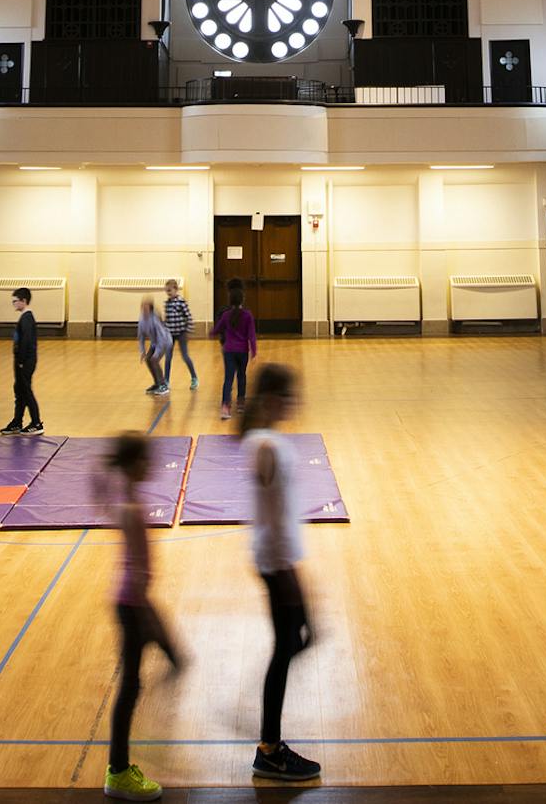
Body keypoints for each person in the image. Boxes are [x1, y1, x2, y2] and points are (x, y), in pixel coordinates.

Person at [241, 361, 319, 784]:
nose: (295, 402)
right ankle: (270, 748)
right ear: (273, 399)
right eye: (289, 395)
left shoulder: (264, 441)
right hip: (277, 564)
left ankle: (270, 741)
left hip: (280, 561)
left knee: (295, 642)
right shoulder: (266, 446)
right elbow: (271, 519)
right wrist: (288, 576)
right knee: (288, 645)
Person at [102, 431, 181, 801]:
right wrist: (146, 615)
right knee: (130, 688)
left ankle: (173, 659)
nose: (150, 465)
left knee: (167, 664)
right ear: (134, 465)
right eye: (146, 460)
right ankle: (118, 772)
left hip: (134, 602)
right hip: (132, 604)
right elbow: (136, 575)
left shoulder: (127, 499)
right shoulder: (131, 508)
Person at [214, 278, 257, 419]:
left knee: (228, 378)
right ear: (242, 299)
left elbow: (217, 329)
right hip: (243, 351)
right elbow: (251, 335)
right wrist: (254, 351)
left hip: (229, 350)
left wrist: (210, 333)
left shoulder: (225, 314)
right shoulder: (247, 315)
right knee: (241, 376)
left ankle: (225, 407)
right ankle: (240, 403)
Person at [4, 286, 44, 434]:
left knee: (26, 391)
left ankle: (36, 422)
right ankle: (17, 421)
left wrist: (21, 360)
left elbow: (26, 341)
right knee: (19, 390)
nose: (13, 304)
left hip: (25, 361)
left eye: (15, 301)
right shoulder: (24, 317)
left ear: (24, 301)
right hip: (22, 360)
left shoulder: (27, 318)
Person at [161, 278, 197, 391]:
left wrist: (188, 330)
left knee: (185, 356)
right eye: (167, 291)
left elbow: (188, 317)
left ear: (176, 290)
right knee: (168, 357)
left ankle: (194, 378)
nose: (168, 293)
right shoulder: (167, 303)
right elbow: (166, 319)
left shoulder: (181, 302)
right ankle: (166, 381)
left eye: (170, 291)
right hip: (170, 334)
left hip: (181, 333)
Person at [136, 296, 171, 397]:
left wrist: (156, 353)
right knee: (148, 359)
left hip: (164, 341)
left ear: (150, 308)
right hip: (155, 343)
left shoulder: (154, 319)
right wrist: (142, 351)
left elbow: (161, 336)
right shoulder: (142, 319)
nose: (143, 309)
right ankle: (157, 384)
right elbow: (141, 336)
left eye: (146, 307)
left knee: (154, 360)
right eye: (142, 306)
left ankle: (163, 385)